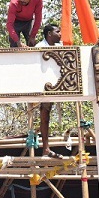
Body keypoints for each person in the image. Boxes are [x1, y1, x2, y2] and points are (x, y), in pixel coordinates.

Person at [35, 22, 64, 154]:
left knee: (47, 114)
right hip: (44, 85)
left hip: (58, 84)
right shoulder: (39, 47)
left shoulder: (60, 47)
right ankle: (45, 147)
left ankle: (46, 147)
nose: (60, 34)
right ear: (49, 34)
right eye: (57, 32)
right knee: (45, 114)